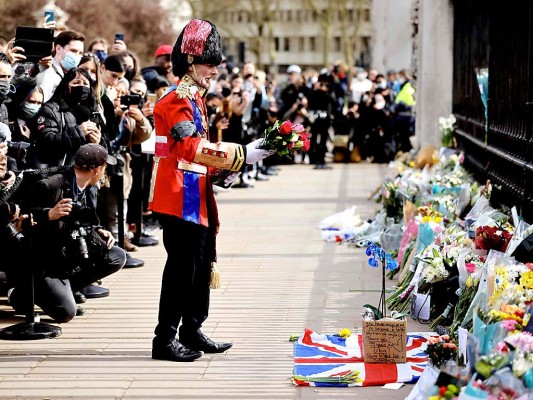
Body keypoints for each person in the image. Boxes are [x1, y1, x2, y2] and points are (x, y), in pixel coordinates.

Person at [148, 19, 271, 362]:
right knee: (181, 269)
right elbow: (189, 147)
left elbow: (200, 150)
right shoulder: (176, 100)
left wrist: (225, 170)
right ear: (190, 64)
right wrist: (241, 155)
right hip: (176, 195)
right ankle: (165, 338)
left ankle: (192, 328)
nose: (215, 71)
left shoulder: (196, 99)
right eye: (209, 64)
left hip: (194, 192)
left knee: (201, 265)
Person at [9, 144, 126, 323]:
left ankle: (65, 290)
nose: (104, 173)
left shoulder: (87, 186)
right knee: (65, 313)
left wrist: (97, 230)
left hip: (66, 252)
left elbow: (84, 217)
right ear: (96, 170)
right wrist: (48, 215)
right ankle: (22, 294)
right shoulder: (50, 184)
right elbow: (18, 217)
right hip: (43, 261)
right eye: (104, 168)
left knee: (116, 255)